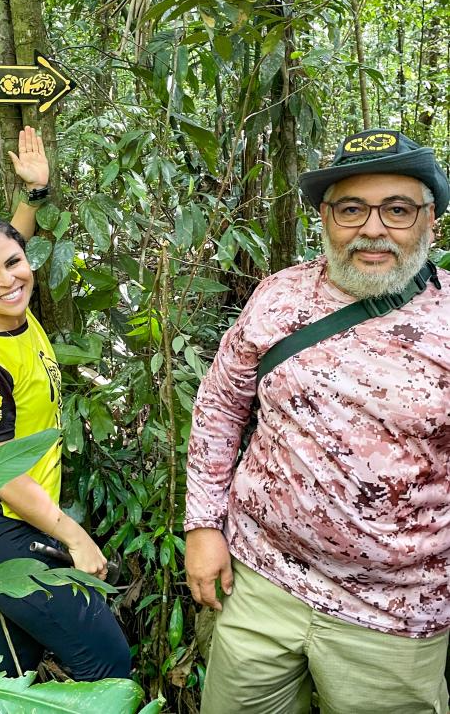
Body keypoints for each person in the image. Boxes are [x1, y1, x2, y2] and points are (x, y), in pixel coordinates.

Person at [184, 129, 450, 714]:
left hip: (394, 616)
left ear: (430, 220)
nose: (372, 229)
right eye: (351, 209)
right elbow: (221, 406)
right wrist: (202, 526)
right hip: (259, 581)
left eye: (397, 210)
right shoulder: (278, 296)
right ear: (326, 218)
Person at [0, 126, 130, 711]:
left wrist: (35, 193)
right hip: (1, 529)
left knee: (12, 673)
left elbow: (8, 242)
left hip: (11, 523)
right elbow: (1, 472)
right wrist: (74, 535)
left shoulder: (11, 305)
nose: (9, 279)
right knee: (108, 663)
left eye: (15, 264)